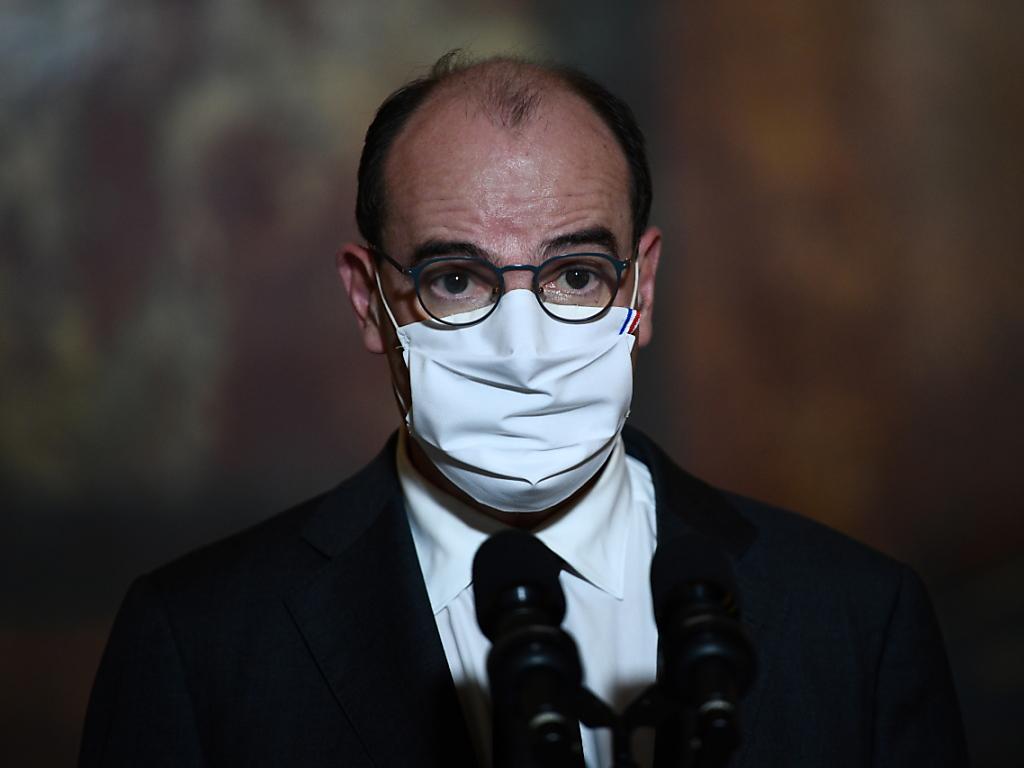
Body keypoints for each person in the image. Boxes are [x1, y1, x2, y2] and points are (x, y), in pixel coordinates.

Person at [79, 52, 969, 767]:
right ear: (368, 302)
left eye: (576, 274)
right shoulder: (199, 645)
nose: (521, 347)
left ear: (642, 288)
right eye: (455, 279)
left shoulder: (855, 620)